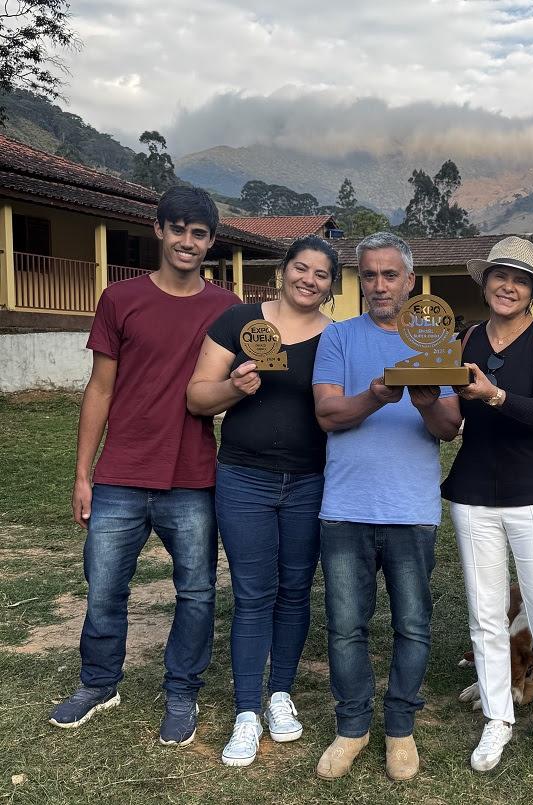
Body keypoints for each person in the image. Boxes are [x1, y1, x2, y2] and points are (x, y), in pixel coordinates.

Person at [48, 187, 238, 746]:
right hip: (120, 475)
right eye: (177, 229)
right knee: (105, 588)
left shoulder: (226, 309)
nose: (187, 241)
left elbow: (229, 386)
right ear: (158, 230)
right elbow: (100, 388)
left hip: (193, 475)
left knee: (197, 591)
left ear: (210, 242)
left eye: (198, 233)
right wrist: (84, 474)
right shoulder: (119, 298)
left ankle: (182, 691)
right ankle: (99, 683)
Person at [312, 231, 461, 782]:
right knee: (346, 627)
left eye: (389, 275)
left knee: (413, 626)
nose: (379, 285)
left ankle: (400, 728)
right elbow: (327, 414)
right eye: (369, 275)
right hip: (346, 506)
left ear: (409, 281)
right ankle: (352, 727)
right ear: (359, 279)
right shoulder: (339, 338)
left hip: (410, 509)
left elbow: (450, 428)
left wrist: (425, 404)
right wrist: (375, 396)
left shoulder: (436, 341)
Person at [186, 235, 339, 766]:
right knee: (253, 593)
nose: (308, 279)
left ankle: (281, 694)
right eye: (301, 268)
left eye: (321, 274)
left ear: (331, 286)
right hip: (244, 478)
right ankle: (246, 711)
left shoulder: (336, 338)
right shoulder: (240, 323)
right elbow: (196, 396)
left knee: (296, 590)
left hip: (310, 480)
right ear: (283, 270)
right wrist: (235, 388)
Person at [440, 236, 533, 788]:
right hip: (474, 489)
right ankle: (497, 715)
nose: (508, 286)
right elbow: (452, 414)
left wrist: (494, 394)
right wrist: (432, 396)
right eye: (500, 276)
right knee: (483, 612)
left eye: (520, 280)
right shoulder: (467, 338)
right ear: (485, 281)